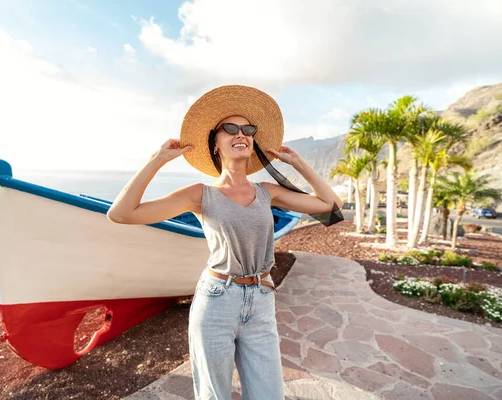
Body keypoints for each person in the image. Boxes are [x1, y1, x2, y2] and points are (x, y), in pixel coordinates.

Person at [107, 85, 343, 399]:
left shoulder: (268, 192)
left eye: (248, 129)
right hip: (217, 299)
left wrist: (298, 163)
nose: (240, 133)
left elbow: (330, 204)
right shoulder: (200, 194)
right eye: (230, 128)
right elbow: (121, 214)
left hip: (261, 298)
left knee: (268, 394)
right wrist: (156, 160)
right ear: (215, 143)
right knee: (213, 394)